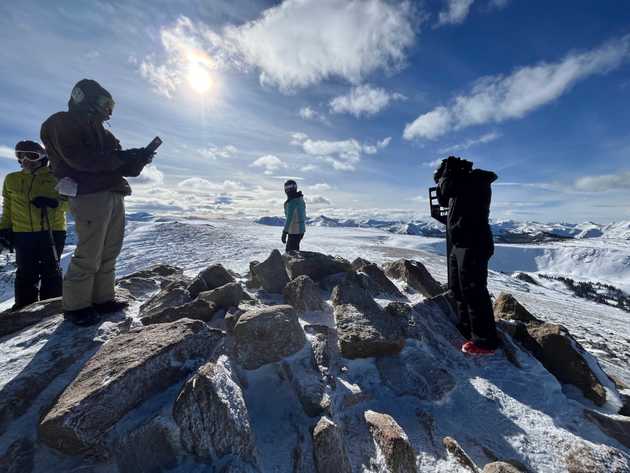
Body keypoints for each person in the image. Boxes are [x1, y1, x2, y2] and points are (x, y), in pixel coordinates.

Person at [41, 79, 154, 326]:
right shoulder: (61, 122)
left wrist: (139, 159)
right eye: (105, 103)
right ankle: (76, 306)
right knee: (90, 251)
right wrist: (121, 157)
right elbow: (81, 160)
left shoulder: (106, 134)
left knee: (109, 250)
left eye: (111, 105)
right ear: (84, 98)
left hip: (114, 193)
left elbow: (124, 168)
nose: (109, 110)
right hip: (88, 193)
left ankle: (103, 299)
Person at [434, 156, 499, 355]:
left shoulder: (474, 181)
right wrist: (447, 175)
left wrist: (446, 174)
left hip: (473, 243)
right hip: (460, 242)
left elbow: (445, 190)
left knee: (473, 289)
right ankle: (467, 328)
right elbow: (444, 198)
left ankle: (485, 341)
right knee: (458, 288)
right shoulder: (461, 183)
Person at [0, 141, 67, 311]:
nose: (25, 159)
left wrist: (54, 203)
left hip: (52, 230)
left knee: (50, 271)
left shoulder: (56, 177)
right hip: (22, 233)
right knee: (25, 272)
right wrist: (4, 228)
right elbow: (7, 205)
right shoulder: (11, 179)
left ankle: (51, 308)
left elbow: (72, 203)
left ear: (43, 157)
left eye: (32, 155)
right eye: (20, 155)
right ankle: (23, 308)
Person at [281, 180, 306, 252]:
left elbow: (289, 219)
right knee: (295, 250)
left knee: (290, 253)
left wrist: (284, 232)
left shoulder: (292, 202)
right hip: (301, 230)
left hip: (294, 231)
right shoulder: (300, 199)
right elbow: (304, 215)